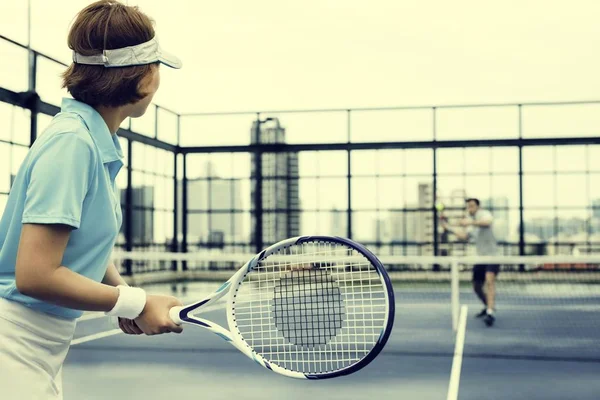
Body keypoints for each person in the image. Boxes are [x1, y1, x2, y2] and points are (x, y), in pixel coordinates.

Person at [0, 1, 183, 398]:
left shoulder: (91, 139)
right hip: (13, 341)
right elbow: (35, 274)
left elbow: (82, 245)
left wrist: (125, 297)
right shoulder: (73, 144)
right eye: (156, 67)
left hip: (35, 344)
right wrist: (133, 302)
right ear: (145, 77)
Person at [442, 198, 499, 327]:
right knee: (476, 286)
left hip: (492, 257)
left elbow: (488, 222)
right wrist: (449, 228)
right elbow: (465, 237)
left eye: (472, 206)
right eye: (468, 206)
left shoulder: (484, 214)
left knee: (489, 280)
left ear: (478, 206)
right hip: (480, 258)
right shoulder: (471, 224)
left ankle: (490, 313)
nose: (470, 208)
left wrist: (470, 222)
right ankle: (488, 305)